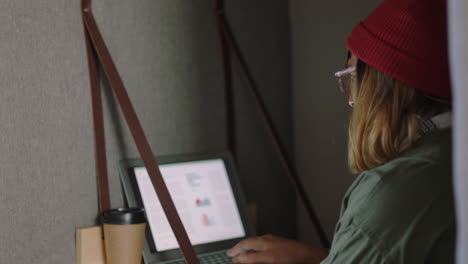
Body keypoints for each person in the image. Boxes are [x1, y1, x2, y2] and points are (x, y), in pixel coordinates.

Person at [227, 0, 455, 263]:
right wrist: (319, 258)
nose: (353, 99)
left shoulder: (396, 190)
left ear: (377, 86)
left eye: (351, 74)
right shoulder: (450, 157)